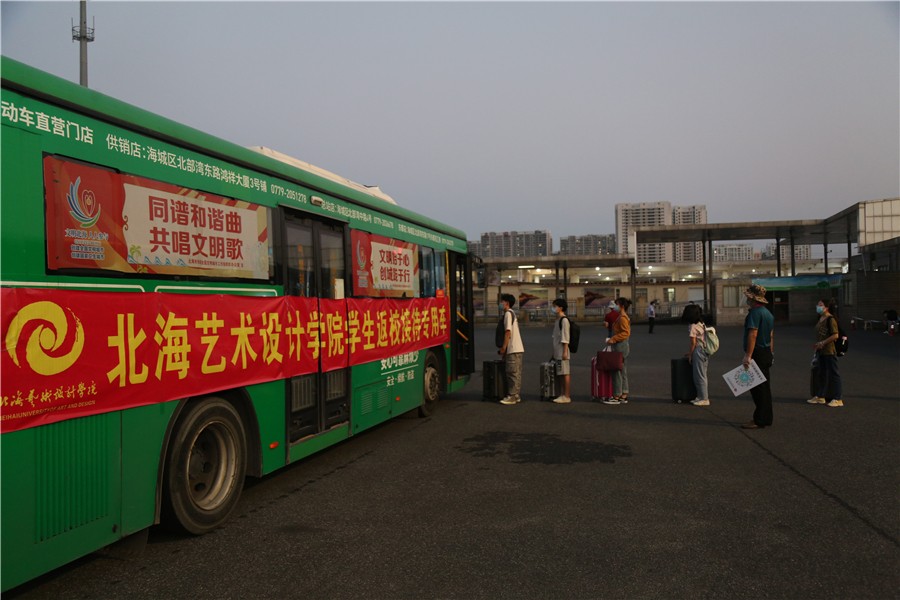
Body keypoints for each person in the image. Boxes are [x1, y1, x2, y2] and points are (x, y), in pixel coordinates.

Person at [741, 284, 775, 429]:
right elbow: (771, 335)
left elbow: (753, 334)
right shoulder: (768, 313)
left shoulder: (754, 313)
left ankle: (759, 419)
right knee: (765, 387)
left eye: (748, 297)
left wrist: (748, 355)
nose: (747, 299)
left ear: (753, 298)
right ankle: (766, 417)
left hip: (757, 352)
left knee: (757, 388)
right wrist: (771, 353)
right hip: (766, 351)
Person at [808, 299, 843, 407]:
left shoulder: (830, 319)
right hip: (821, 351)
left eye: (820, 305)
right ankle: (820, 396)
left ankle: (838, 398)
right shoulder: (820, 318)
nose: (818, 307)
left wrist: (823, 342)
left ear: (826, 307)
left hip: (829, 351)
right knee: (821, 373)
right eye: (818, 304)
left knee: (833, 373)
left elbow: (835, 335)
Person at [603, 297, 632, 405]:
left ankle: (617, 395)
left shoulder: (622, 318)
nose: (614, 306)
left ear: (622, 306)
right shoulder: (623, 316)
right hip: (623, 346)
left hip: (620, 346)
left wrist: (613, 339)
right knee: (622, 370)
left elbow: (625, 333)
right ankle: (623, 394)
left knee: (617, 371)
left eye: (616, 304)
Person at [497, 293, 524, 405]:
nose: (500, 303)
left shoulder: (508, 314)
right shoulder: (512, 313)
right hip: (517, 348)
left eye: (502, 301)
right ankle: (516, 395)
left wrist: (503, 348)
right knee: (515, 373)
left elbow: (508, 332)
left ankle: (512, 396)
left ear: (506, 303)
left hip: (513, 348)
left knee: (512, 373)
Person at [683, 303, 710, 406]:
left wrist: (690, 354)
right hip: (704, 350)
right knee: (701, 374)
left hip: (699, 350)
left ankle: (704, 398)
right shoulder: (701, 323)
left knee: (699, 376)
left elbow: (693, 343)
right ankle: (700, 396)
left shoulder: (693, 326)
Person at [550, 298, 572, 404]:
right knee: (560, 373)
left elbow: (565, 337)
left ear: (561, 308)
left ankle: (566, 396)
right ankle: (562, 394)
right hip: (558, 351)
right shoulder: (558, 320)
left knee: (565, 373)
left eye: (555, 306)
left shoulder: (564, 320)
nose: (553, 308)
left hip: (562, 352)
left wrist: (565, 352)